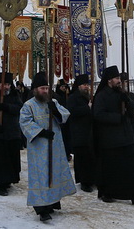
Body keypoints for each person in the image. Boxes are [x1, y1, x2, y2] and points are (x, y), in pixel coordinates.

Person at [19, 72, 76, 221]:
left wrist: (55, 111)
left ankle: (52, 203)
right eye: (42, 88)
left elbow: (65, 115)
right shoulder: (28, 105)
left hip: (55, 146)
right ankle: (41, 209)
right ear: (35, 90)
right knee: (41, 176)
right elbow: (24, 123)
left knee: (54, 173)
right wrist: (42, 132)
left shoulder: (53, 102)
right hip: (39, 148)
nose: (45, 91)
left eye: (47, 88)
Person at [92, 65, 134, 205]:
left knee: (130, 167)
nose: (119, 81)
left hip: (126, 136)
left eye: (119, 78)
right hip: (110, 139)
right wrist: (117, 117)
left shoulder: (122, 93)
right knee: (112, 169)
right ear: (109, 80)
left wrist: (127, 100)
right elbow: (98, 115)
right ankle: (107, 193)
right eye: (116, 78)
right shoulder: (101, 96)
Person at [66, 74, 95, 192]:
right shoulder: (73, 98)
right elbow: (71, 112)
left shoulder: (87, 97)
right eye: (84, 85)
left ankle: (92, 179)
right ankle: (84, 182)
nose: (86, 87)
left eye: (87, 85)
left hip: (89, 132)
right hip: (79, 132)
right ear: (78, 86)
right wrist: (87, 108)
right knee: (82, 159)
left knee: (91, 157)